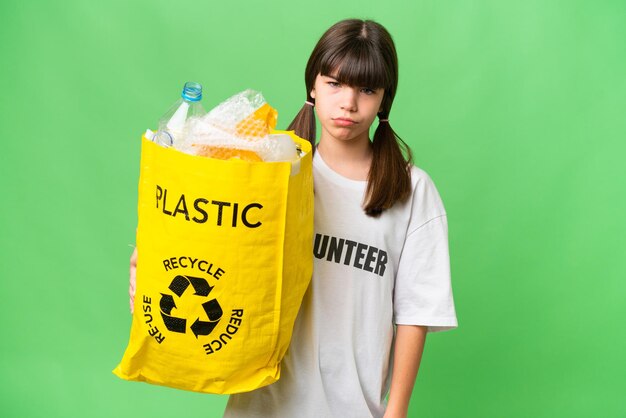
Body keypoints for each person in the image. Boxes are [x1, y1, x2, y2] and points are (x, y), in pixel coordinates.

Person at [129, 18, 457, 418]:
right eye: (334, 83)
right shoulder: (268, 172)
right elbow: (217, 255)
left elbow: (415, 313)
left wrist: (396, 412)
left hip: (354, 407)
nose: (348, 104)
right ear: (313, 86)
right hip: (261, 405)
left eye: (366, 89)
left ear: (384, 100)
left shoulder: (411, 191)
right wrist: (149, 269)